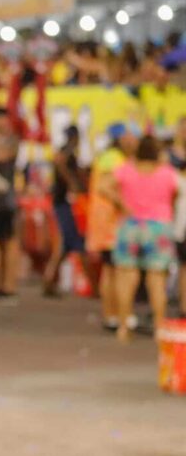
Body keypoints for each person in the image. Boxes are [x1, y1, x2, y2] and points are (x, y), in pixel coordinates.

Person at [104, 135, 178, 343]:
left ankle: (123, 327)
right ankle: (159, 328)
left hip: (130, 225)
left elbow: (104, 186)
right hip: (159, 227)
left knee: (127, 278)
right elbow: (176, 192)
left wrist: (121, 202)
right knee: (157, 280)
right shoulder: (166, 172)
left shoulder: (127, 169)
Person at [87, 123, 139, 332]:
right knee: (116, 270)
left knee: (110, 269)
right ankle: (116, 314)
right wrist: (125, 206)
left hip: (105, 221)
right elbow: (105, 187)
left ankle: (112, 315)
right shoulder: (113, 158)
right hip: (110, 222)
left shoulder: (109, 156)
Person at [44, 126, 87, 297]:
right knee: (68, 244)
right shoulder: (67, 150)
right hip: (64, 202)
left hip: (62, 201)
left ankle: (49, 281)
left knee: (67, 246)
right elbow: (60, 163)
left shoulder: (68, 152)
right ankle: (49, 281)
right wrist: (72, 183)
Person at [0, 111, 20, 299]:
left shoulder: (11, 141)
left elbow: (2, 156)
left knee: (8, 244)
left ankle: (9, 284)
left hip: (6, 201)